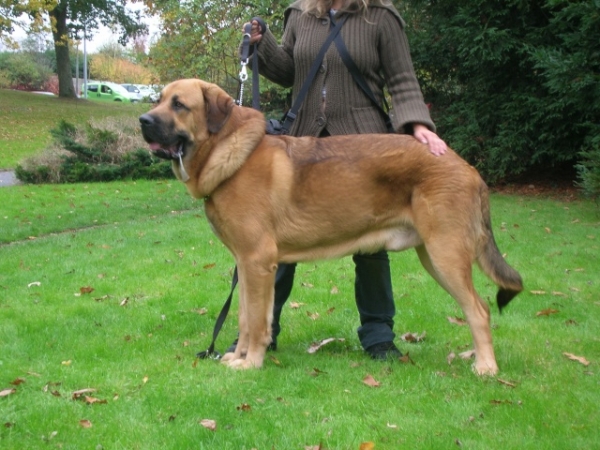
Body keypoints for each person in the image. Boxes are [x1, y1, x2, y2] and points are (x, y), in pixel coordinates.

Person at [230, 0, 447, 360]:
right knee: (273, 237)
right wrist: (262, 42)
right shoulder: (300, 13)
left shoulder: (381, 16)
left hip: (364, 148)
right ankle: (261, 335)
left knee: (372, 245)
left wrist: (418, 126)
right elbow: (290, 70)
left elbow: (402, 80)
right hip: (303, 146)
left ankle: (378, 337)